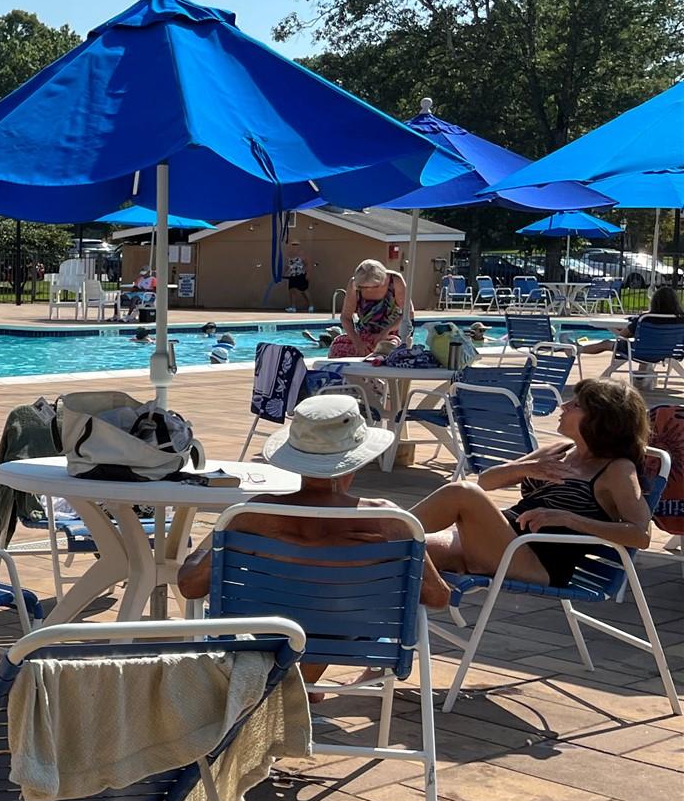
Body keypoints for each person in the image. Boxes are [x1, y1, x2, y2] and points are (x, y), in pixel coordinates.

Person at [179, 394, 450, 690]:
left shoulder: (253, 515)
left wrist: (213, 542)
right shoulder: (391, 521)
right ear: (357, 458)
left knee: (297, 608)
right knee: (334, 608)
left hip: (265, 639)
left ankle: (290, 690)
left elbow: (190, 585)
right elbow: (438, 597)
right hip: (346, 640)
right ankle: (301, 690)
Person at [413, 380, 653, 590]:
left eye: (576, 405)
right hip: (499, 542)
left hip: (536, 562)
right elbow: (486, 481)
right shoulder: (560, 450)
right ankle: (428, 595)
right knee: (393, 547)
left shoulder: (618, 470)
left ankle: (396, 526)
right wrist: (526, 468)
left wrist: (569, 519)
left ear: (601, 420)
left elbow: (640, 535)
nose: (564, 406)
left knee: (462, 493)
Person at [330, 259, 411, 357]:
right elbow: (346, 317)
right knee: (336, 349)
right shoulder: (354, 284)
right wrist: (357, 342)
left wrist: (386, 331)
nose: (368, 290)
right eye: (363, 287)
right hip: (364, 335)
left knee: (387, 349)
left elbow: (409, 313)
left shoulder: (395, 281)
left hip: (391, 334)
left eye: (373, 287)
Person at [603, 285, 682, 374]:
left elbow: (622, 336)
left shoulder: (645, 319)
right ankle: (641, 380)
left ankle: (583, 349)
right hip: (671, 354)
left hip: (640, 353)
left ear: (654, 302)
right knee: (646, 346)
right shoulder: (681, 321)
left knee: (606, 343)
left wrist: (615, 329)